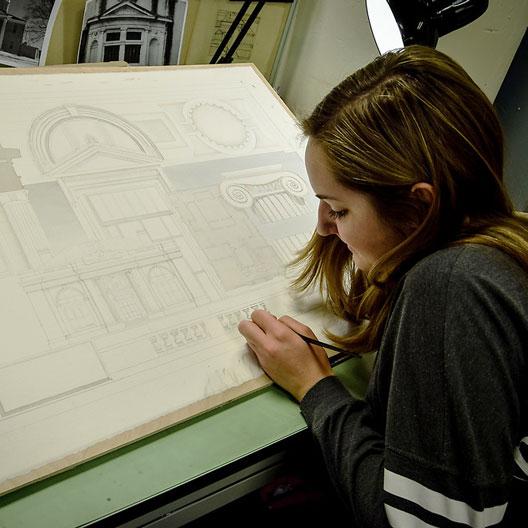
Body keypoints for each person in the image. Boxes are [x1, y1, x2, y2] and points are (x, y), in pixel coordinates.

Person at [238, 45, 528, 527]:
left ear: (418, 208)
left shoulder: (452, 287)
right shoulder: (509, 240)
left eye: (341, 209)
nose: (326, 227)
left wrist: (315, 387)